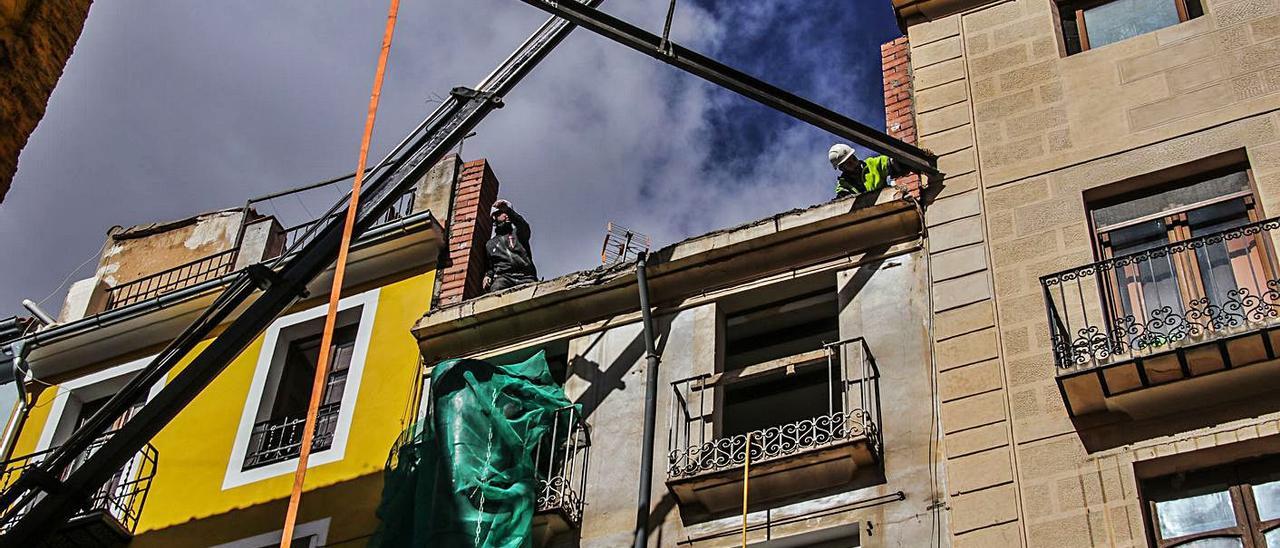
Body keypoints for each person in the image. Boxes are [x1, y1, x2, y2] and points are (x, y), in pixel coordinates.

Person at [483, 199, 538, 293]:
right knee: (496, 291)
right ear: (494, 217)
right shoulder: (491, 244)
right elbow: (491, 266)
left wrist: (508, 210)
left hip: (526, 276)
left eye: (507, 212)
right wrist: (488, 275)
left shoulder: (519, 233)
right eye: (502, 212)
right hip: (505, 278)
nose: (506, 215)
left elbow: (523, 225)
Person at [828, 143, 907, 199]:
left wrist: (900, 162)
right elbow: (842, 202)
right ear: (842, 168)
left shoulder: (872, 165)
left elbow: (891, 163)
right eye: (849, 163)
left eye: (853, 158)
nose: (854, 163)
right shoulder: (843, 186)